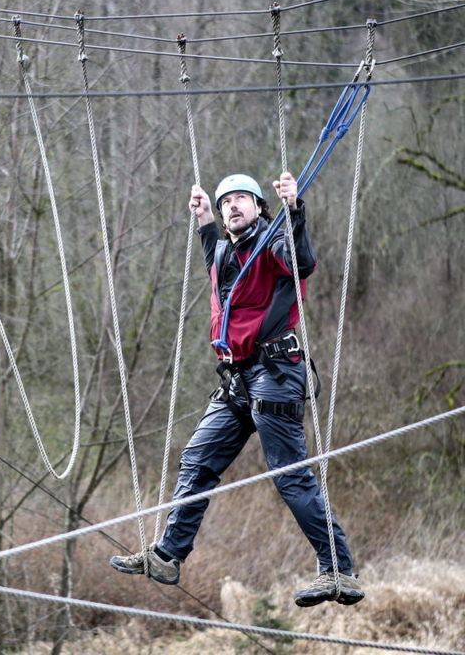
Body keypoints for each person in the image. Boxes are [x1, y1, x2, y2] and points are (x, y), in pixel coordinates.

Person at [109, 172, 364, 608]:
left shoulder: (275, 243)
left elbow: (302, 262)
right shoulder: (226, 250)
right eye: (227, 201)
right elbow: (213, 249)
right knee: (197, 459)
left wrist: (295, 211)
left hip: (276, 373)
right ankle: (169, 555)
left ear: (260, 207)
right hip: (237, 380)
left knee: (289, 475)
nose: (233, 206)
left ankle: (338, 571)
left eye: (242, 199)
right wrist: (204, 216)